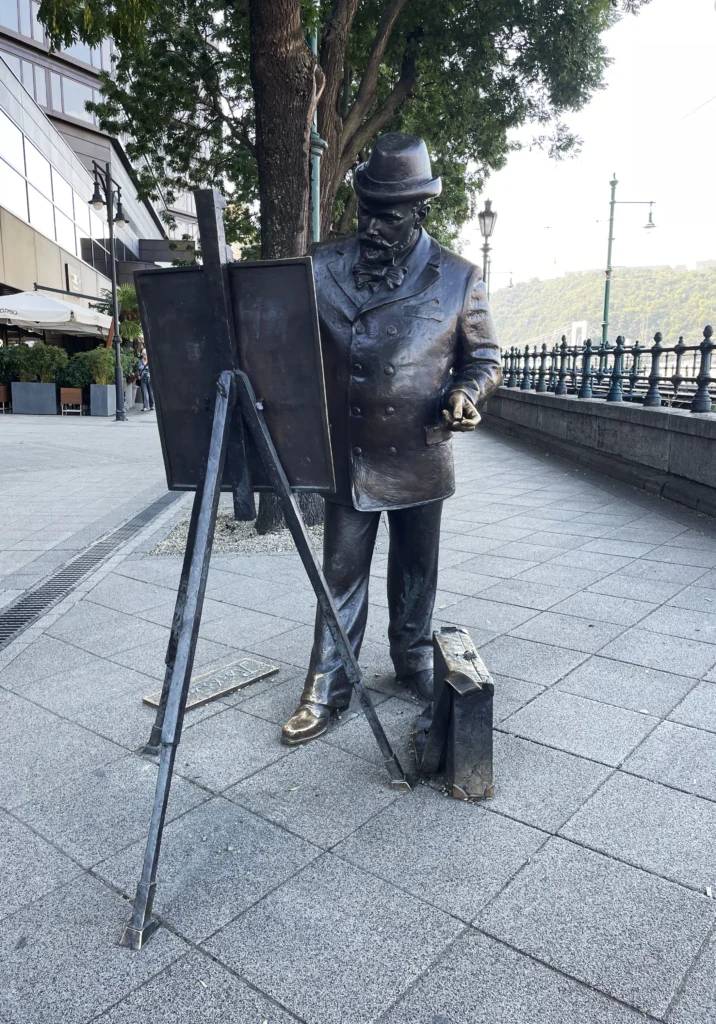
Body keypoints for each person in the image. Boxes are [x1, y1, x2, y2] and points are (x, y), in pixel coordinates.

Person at [281, 133, 502, 746]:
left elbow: (483, 358)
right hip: (349, 451)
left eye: (390, 214)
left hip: (420, 452)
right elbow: (286, 348)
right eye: (367, 210)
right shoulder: (321, 269)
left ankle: (412, 657)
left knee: (415, 569)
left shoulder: (459, 278)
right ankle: (329, 684)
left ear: (420, 212)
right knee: (340, 572)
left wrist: (467, 394)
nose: (373, 225)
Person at [137, 348, 154, 412]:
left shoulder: (150, 361)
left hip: (150, 379)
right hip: (142, 379)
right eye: (144, 354)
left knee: (150, 392)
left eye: (146, 354)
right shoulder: (139, 361)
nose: (145, 355)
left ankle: (151, 405)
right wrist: (138, 375)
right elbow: (137, 369)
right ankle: (145, 406)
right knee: (144, 392)